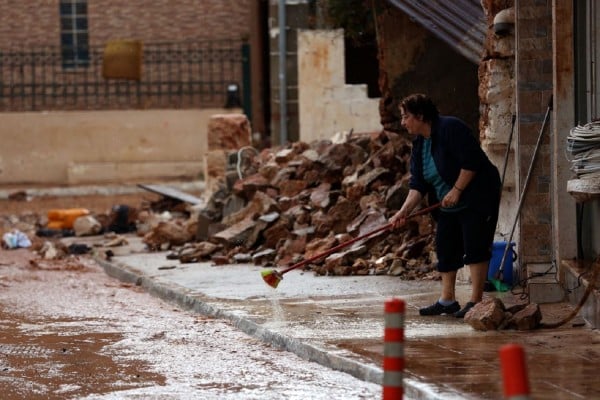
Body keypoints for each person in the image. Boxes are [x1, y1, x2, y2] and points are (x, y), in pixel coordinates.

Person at [390, 93, 501, 318]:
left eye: (405, 117)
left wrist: (457, 190)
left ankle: (475, 300)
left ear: (420, 116)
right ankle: (447, 300)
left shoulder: (451, 128)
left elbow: (472, 161)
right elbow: (418, 184)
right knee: (446, 246)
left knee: (475, 244)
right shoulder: (420, 145)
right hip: (447, 203)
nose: (403, 122)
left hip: (476, 195)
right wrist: (403, 212)